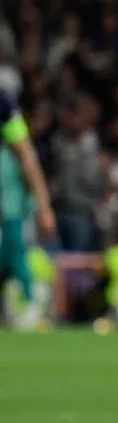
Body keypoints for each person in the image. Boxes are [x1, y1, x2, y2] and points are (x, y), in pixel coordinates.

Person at [0, 91, 57, 329]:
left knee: (14, 254)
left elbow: (28, 162)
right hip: (10, 210)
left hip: (11, 212)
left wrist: (43, 207)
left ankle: (30, 301)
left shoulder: (10, 158)